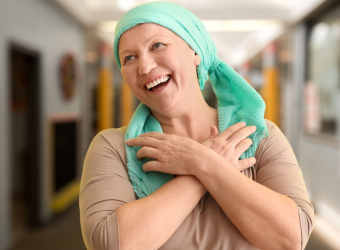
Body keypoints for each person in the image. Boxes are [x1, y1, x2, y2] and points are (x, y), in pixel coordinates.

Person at [79, 2, 314, 250]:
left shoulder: (257, 134)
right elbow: (108, 245)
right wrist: (205, 166)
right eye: (129, 57)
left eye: (157, 45)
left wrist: (203, 162)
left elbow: (292, 238)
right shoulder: (114, 146)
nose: (145, 67)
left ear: (195, 52)